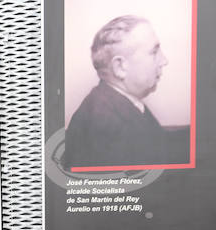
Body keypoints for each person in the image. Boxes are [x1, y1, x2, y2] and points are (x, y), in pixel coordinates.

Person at [63, 15, 188, 169]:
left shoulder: (116, 102)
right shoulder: (105, 125)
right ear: (120, 67)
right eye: (154, 52)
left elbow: (157, 142)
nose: (164, 60)